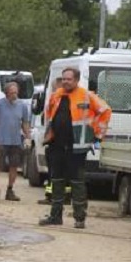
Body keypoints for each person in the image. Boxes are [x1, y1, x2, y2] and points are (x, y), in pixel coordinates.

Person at [39, 67, 111, 229]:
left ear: (76, 80)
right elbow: (50, 116)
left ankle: (80, 218)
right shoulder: (56, 95)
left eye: (68, 79)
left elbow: (105, 111)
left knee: (77, 183)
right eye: (63, 79)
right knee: (56, 181)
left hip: (77, 148)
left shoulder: (86, 96)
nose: (65, 82)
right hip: (56, 145)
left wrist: (98, 134)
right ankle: (55, 216)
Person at [0, 82, 31, 201]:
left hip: (15, 141)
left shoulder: (22, 106)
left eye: (16, 92)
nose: (15, 95)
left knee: (14, 166)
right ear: (7, 93)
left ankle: (10, 190)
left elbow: (25, 122)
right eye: (12, 93)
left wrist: (28, 136)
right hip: (1, 141)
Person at [40, 76, 71, 205]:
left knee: (57, 171)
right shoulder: (56, 100)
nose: (54, 91)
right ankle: (58, 196)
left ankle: (55, 196)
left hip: (59, 142)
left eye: (55, 88)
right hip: (55, 142)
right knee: (58, 171)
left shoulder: (63, 101)